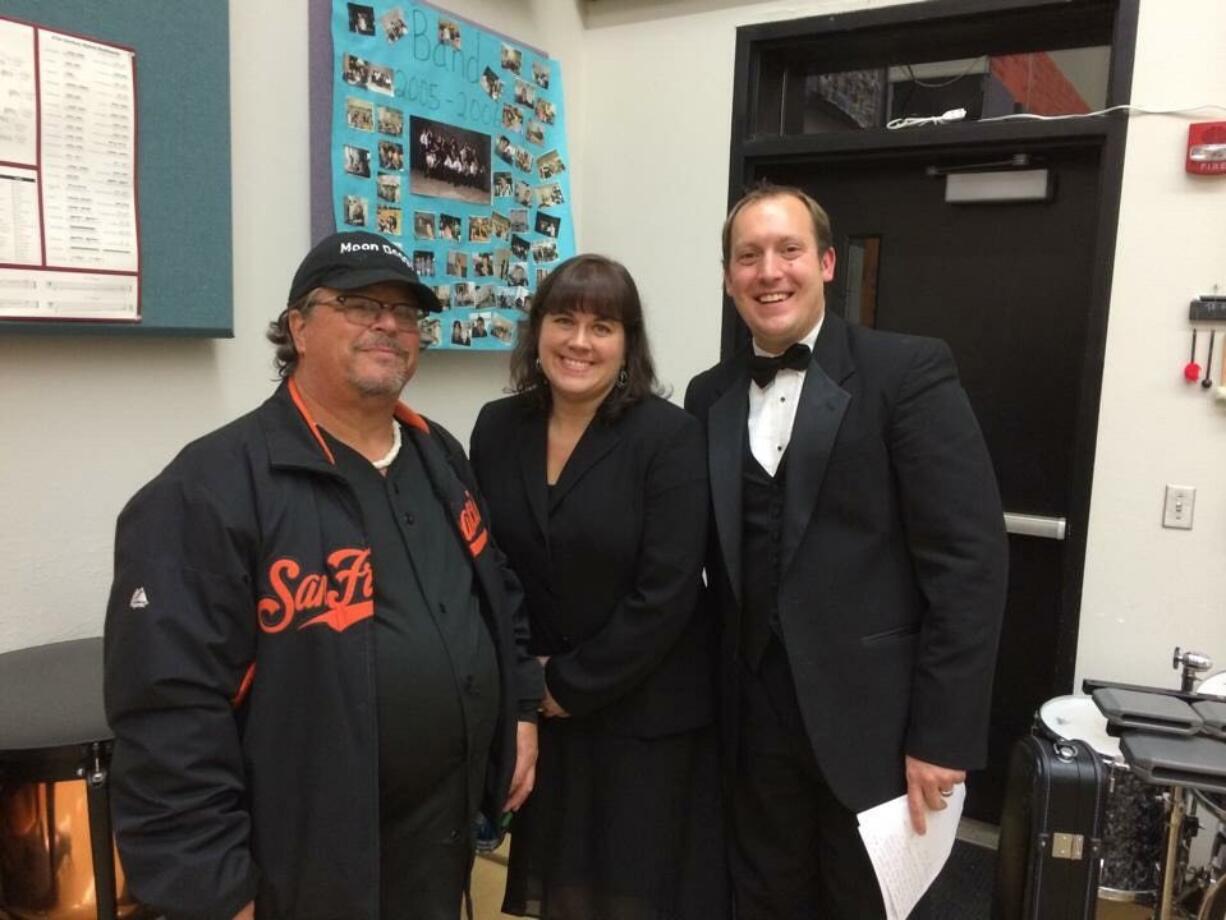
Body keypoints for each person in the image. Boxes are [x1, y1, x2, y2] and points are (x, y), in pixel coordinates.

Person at [104, 230, 544, 920]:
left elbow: (495, 592)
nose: (389, 326)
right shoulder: (208, 490)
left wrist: (518, 710)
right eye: (361, 304)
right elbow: (169, 717)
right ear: (298, 327)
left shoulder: (440, 457)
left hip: (439, 845)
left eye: (406, 313)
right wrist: (214, 893)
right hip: (298, 873)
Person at [684, 184, 1008, 919]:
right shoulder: (707, 395)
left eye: (789, 250)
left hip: (879, 727)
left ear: (827, 263)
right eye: (748, 256)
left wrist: (943, 731)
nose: (770, 271)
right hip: (752, 722)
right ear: (730, 277)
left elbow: (969, 562)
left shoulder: (908, 373)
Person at [471, 254, 727, 920]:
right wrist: (528, 690)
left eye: (602, 326)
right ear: (537, 331)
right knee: (562, 894)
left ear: (627, 344)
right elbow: (491, 567)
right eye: (563, 319)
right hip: (547, 719)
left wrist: (563, 687)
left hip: (644, 719)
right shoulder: (497, 429)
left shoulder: (669, 438)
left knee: (632, 898)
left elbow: (666, 592)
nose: (579, 341)